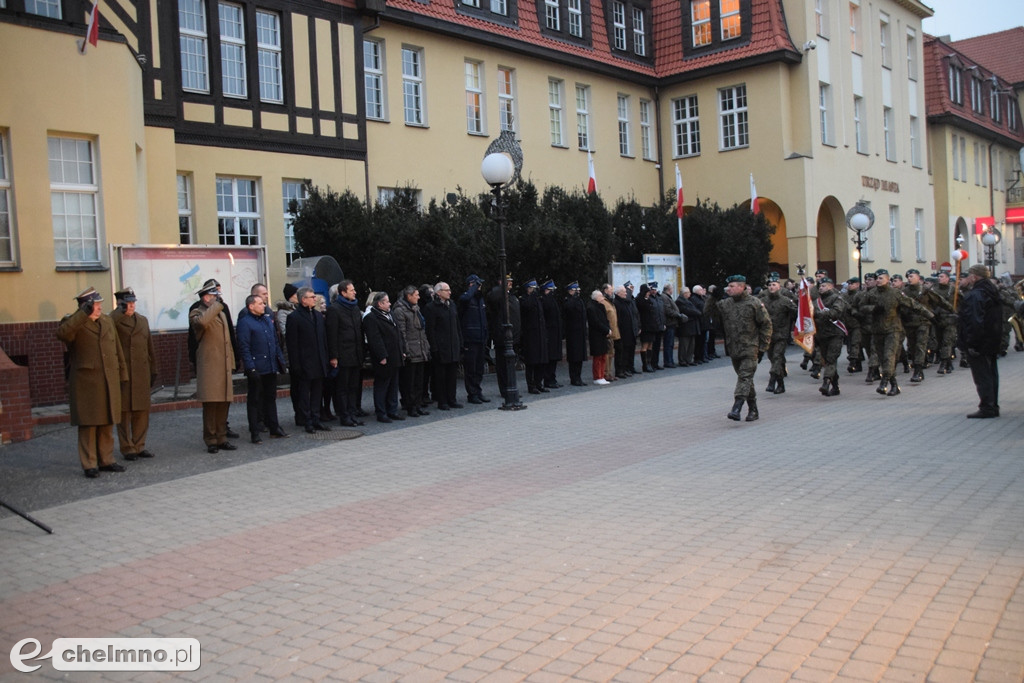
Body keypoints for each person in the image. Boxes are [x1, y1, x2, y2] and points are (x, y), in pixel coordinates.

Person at [56, 287, 129, 478]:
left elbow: (116, 348)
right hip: (87, 382)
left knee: (107, 421)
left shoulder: (106, 321)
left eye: (99, 305)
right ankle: (89, 464)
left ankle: (107, 459)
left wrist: (122, 373)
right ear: (85, 306)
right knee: (89, 424)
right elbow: (63, 334)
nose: (99, 309)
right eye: (95, 305)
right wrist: (82, 315)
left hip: (108, 379)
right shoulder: (73, 322)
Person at [858, 269, 933, 397]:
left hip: (893, 330)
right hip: (877, 330)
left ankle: (884, 382)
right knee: (882, 359)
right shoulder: (871, 294)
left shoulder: (895, 293)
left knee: (889, 356)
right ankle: (894, 385)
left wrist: (930, 315)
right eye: (877, 278)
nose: (878, 280)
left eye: (881, 278)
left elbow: (912, 304)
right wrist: (873, 309)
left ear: (887, 279)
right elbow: (860, 307)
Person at [189, 281, 239, 453]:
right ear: (205, 297)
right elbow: (202, 324)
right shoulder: (197, 312)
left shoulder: (220, 313)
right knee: (211, 404)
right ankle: (210, 439)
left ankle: (221, 437)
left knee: (224, 403)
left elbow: (228, 339)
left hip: (223, 365)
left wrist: (232, 361)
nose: (218, 298)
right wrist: (216, 305)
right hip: (210, 366)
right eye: (214, 296)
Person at [110, 287, 157, 460]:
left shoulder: (142, 320)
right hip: (125, 373)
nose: (131, 306)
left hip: (141, 372)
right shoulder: (113, 320)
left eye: (133, 302)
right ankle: (127, 447)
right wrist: (118, 313)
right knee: (125, 412)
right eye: (128, 303)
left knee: (141, 412)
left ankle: (139, 445)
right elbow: (109, 326)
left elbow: (149, 346)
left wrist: (154, 369)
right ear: (120, 304)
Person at [717, 275, 772, 422]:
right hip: (734, 348)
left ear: (742, 287)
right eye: (728, 286)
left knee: (745, 377)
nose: (730, 289)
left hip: (750, 347)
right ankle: (753, 409)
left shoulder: (754, 303)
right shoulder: (726, 303)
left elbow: (766, 325)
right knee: (746, 380)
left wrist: (763, 347)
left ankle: (737, 407)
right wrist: (712, 297)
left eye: (733, 286)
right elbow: (709, 313)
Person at [238, 294, 289, 442]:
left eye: (264, 303)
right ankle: (255, 431)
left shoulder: (267, 320)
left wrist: (281, 362)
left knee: (271, 398)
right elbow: (244, 347)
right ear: (251, 306)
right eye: (260, 303)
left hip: (270, 366)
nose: (263, 305)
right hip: (257, 367)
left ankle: (274, 427)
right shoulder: (245, 323)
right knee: (254, 400)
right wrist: (250, 368)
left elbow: (274, 342)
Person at [957, 264, 1002, 418]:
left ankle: (987, 407)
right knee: (990, 374)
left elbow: (974, 321)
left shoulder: (976, 294)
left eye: (968, 275)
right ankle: (992, 405)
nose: (965, 278)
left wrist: (972, 343)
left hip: (980, 343)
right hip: (991, 340)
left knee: (982, 375)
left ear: (974, 277)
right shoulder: (991, 290)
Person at [326, 280, 365, 427]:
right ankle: (344, 415)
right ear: (343, 293)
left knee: (353, 387)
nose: (354, 292)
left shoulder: (354, 308)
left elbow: (359, 332)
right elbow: (332, 334)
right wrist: (334, 356)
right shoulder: (334, 310)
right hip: (343, 355)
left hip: (356, 354)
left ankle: (352, 413)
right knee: (342, 387)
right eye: (351, 290)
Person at [362, 291, 405, 423]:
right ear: (380, 303)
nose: (390, 303)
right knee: (382, 385)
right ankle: (381, 412)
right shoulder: (372, 317)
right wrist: (382, 356)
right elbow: (375, 339)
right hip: (384, 357)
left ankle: (392, 409)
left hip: (395, 355)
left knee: (393, 384)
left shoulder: (390, 314)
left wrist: (402, 349)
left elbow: (398, 333)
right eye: (387, 301)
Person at [425, 281, 463, 410]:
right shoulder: (431, 308)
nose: (450, 292)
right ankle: (442, 401)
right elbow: (430, 330)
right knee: (440, 377)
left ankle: (452, 399)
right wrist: (434, 348)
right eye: (447, 290)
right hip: (441, 348)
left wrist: (460, 342)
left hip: (453, 346)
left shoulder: (452, 305)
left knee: (452, 376)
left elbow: (457, 325)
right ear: (438, 293)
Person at [393, 284, 430, 417]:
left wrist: (426, 347)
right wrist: (406, 351)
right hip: (411, 351)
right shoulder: (400, 311)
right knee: (410, 381)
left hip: (420, 349)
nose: (419, 297)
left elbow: (422, 329)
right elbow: (402, 333)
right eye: (416, 295)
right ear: (409, 296)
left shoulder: (416, 309)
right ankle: (410, 406)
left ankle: (418, 404)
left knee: (419, 381)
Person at [757, 276, 796, 394]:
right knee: (772, 358)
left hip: (781, 335)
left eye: (774, 285)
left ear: (779, 286)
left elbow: (796, 313)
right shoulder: (763, 300)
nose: (771, 287)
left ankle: (772, 381)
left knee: (777, 357)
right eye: (769, 285)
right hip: (768, 335)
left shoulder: (785, 300)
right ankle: (781, 385)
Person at [485, 276, 521, 400]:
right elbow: (492, 298)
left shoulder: (511, 296)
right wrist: (501, 288)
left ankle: (512, 387)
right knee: (503, 366)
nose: (510, 283)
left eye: (511, 281)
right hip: (502, 337)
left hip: (513, 337)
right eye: (508, 281)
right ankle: (505, 389)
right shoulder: (498, 295)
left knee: (511, 365)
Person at [811, 277, 848, 397]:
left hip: (835, 334)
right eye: (820, 286)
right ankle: (835, 386)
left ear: (831, 286)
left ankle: (826, 382)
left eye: (824, 286)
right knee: (828, 361)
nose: (821, 288)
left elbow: (835, 313)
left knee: (831, 359)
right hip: (822, 335)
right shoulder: (816, 302)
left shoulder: (838, 299)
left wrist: (818, 314)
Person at [458, 274, 491, 404]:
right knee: (470, 369)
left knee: (479, 369)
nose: (480, 287)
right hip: (470, 340)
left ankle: (478, 391)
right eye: (478, 284)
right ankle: (472, 394)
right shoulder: (466, 298)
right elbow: (465, 298)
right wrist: (473, 287)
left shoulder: (480, 300)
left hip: (481, 339)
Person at [519, 278, 549, 394]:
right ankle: (531, 386)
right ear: (528, 289)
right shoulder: (524, 299)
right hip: (530, 336)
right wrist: (531, 296)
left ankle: (538, 383)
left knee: (541, 361)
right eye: (533, 288)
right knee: (531, 362)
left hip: (540, 335)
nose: (535, 290)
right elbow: (526, 307)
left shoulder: (537, 300)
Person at [562, 282, 588, 386]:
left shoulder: (579, 300)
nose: (578, 292)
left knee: (580, 357)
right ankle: (574, 378)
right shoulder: (568, 300)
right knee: (574, 357)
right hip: (572, 333)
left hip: (580, 332)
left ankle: (578, 377)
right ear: (571, 291)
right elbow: (568, 309)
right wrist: (574, 299)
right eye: (576, 291)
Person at [540, 280, 564, 389]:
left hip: (555, 333)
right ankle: (547, 379)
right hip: (549, 333)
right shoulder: (544, 300)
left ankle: (552, 378)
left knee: (554, 358)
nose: (552, 292)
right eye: (551, 290)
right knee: (549, 358)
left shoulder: (552, 300)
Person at [587, 290, 611, 385]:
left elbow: (605, 319)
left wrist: (608, 329)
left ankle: (602, 375)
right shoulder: (591, 308)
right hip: (596, 335)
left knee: (603, 356)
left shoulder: (601, 306)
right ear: (596, 297)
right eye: (601, 296)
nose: (603, 298)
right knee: (597, 357)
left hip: (603, 334)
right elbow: (596, 322)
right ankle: (597, 376)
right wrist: (606, 329)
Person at [675, 286, 703, 366]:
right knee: (684, 345)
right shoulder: (679, 301)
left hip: (691, 326)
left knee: (691, 344)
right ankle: (683, 360)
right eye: (688, 293)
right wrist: (697, 313)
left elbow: (695, 310)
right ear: (685, 293)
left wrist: (696, 312)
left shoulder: (688, 301)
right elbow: (689, 311)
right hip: (685, 326)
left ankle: (689, 359)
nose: (690, 294)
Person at [613, 285, 636, 378]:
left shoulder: (625, 302)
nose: (626, 293)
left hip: (628, 331)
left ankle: (625, 369)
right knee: (620, 352)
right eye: (624, 292)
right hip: (621, 332)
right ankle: (619, 370)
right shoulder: (616, 303)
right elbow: (617, 319)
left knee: (626, 351)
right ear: (618, 293)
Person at [660, 283, 683, 368]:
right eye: (672, 289)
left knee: (670, 343)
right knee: (668, 344)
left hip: (672, 323)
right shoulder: (665, 297)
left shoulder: (667, 297)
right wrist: (678, 314)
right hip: (669, 323)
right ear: (669, 289)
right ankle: (668, 361)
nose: (673, 290)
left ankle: (670, 360)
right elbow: (668, 310)